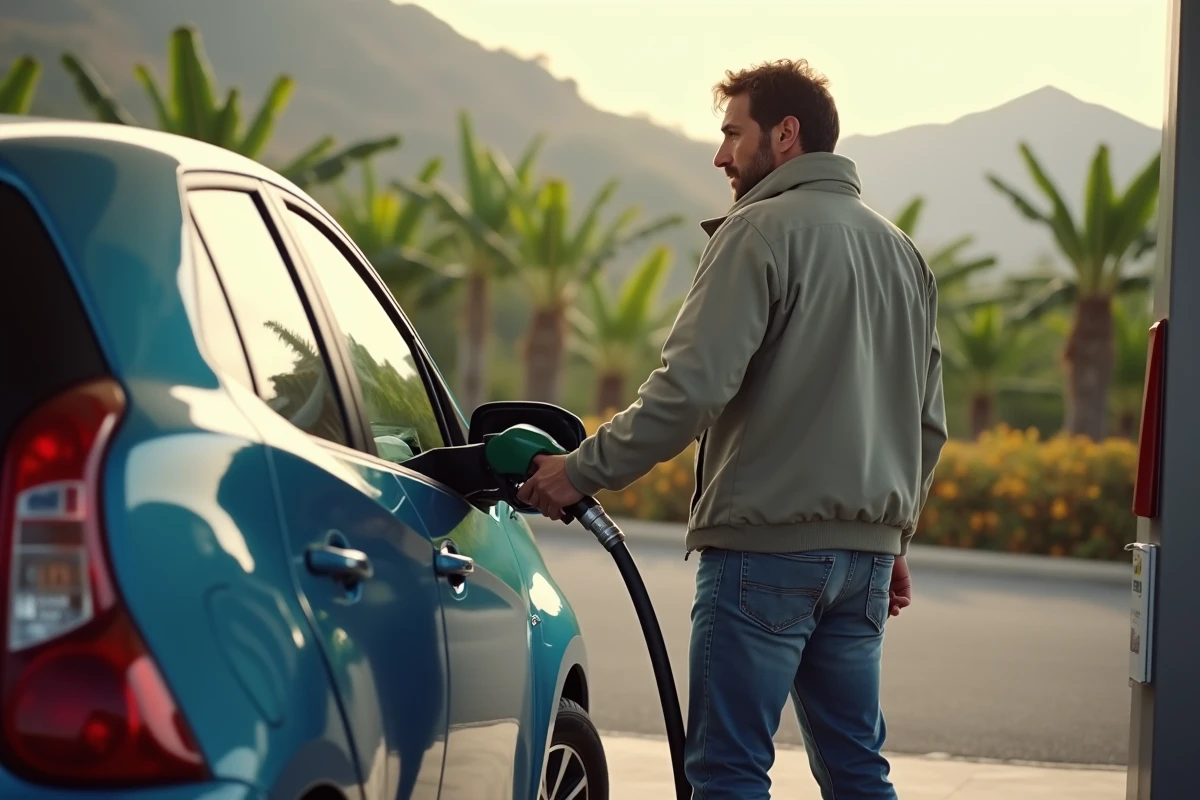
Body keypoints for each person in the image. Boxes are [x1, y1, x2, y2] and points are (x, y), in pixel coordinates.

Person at [517, 58, 947, 800]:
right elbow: (927, 425)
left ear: (785, 135)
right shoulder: (902, 253)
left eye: (732, 134)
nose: (720, 155)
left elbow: (688, 392)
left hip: (764, 554)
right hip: (865, 563)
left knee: (728, 771)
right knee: (856, 770)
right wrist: (889, 537)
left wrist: (578, 470)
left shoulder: (759, 232)